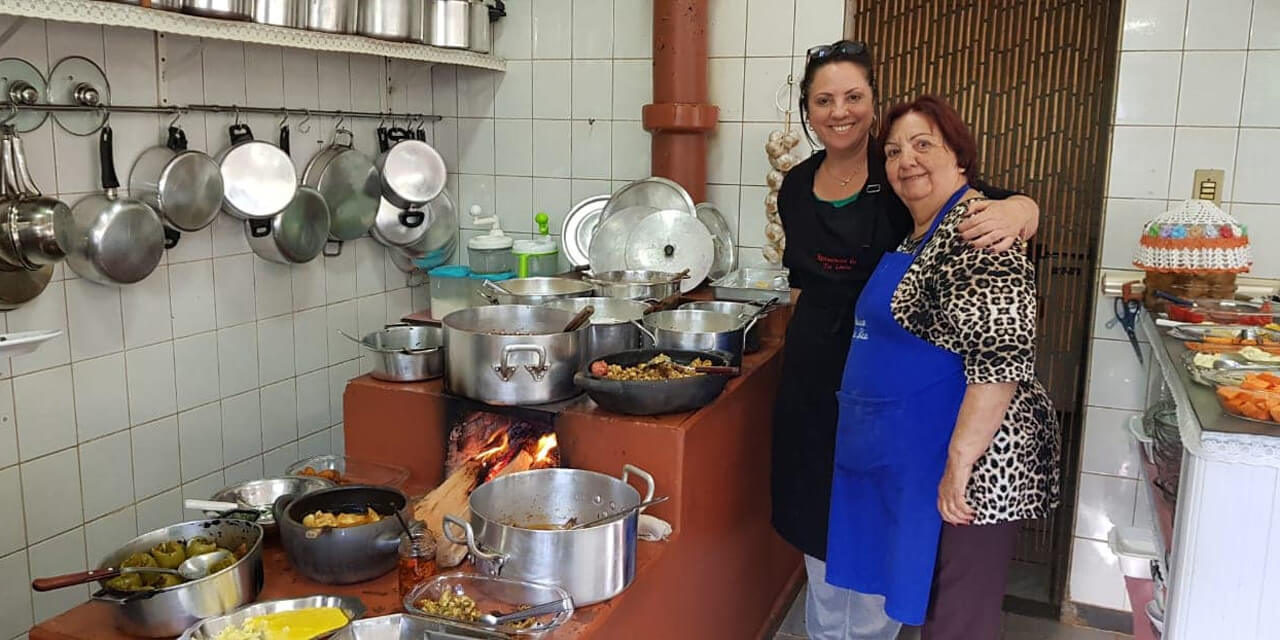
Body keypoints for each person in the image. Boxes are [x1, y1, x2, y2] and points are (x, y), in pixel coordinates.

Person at [769, 40, 1040, 639]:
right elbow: (798, 282)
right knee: (820, 518)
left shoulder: (902, 175)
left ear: (871, 102)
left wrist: (1025, 207)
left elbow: (983, 204)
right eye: (824, 99)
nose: (840, 111)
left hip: (892, 387)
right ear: (808, 111)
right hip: (817, 380)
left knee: (879, 530)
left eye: (854, 97)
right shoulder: (794, 187)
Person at [825, 94, 1061, 640]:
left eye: (923, 144)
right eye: (893, 150)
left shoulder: (979, 231)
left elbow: (999, 364)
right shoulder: (918, 231)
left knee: (959, 623)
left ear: (959, 156)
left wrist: (959, 465)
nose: (906, 159)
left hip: (977, 466)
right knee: (934, 614)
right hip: (923, 455)